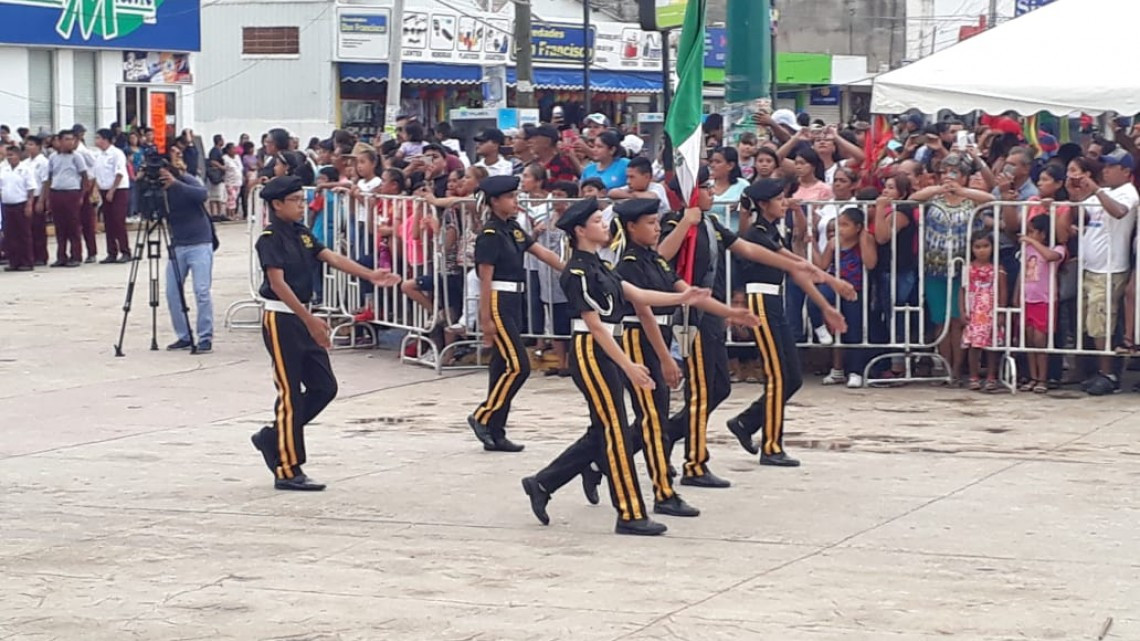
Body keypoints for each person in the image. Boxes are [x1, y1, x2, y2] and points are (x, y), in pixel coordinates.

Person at [520, 197, 711, 536]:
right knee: (616, 432)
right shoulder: (577, 272)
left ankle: (543, 483)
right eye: (596, 220)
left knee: (603, 430)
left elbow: (638, 295)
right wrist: (629, 365)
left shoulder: (601, 265)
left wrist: (682, 298)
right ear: (580, 230)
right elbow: (594, 326)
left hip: (607, 347)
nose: (604, 224)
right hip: (593, 351)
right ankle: (630, 512)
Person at [658, 169, 827, 484]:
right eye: (705, 188)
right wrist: (685, 222)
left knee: (719, 388)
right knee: (701, 390)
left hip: (713, 312)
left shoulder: (712, 224)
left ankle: (664, 436)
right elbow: (660, 257)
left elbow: (748, 249)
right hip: (690, 313)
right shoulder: (675, 222)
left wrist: (797, 264)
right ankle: (694, 465)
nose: (712, 193)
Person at [249, 176, 401, 491]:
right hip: (282, 319)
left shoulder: (301, 233)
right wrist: (309, 320)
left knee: (324, 387)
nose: (301, 206)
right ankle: (288, 468)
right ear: (277, 204)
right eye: (295, 201)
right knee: (289, 392)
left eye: (301, 200)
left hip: (304, 315)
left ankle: (274, 436)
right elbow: (278, 284)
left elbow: (331, 257)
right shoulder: (269, 238)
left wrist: (370, 274)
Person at [611, 198, 761, 516]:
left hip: (659, 336)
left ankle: (596, 462)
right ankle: (663, 492)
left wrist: (732, 312)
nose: (655, 228)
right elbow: (645, 312)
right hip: (640, 338)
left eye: (656, 222)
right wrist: (666, 358)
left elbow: (691, 294)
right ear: (631, 227)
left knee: (653, 419)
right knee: (653, 420)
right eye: (650, 223)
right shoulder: (629, 264)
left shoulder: (655, 260)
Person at [725, 179, 852, 467]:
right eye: (778, 198)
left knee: (792, 377)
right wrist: (832, 282)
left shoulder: (771, 231)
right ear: (762, 204)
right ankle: (771, 446)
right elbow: (797, 264)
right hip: (760, 302)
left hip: (774, 301)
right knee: (778, 376)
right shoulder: (757, 234)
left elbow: (798, 272)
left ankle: (746, 422)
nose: (784, 202)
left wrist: (826, 305)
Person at [466, 175, 565, 452]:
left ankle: (496, 431)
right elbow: (485, 279)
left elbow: (541, 252)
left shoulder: (513, 229)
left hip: (514, 299)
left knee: (500, 369)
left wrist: (571, 269)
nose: (515, 201)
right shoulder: (490, 234)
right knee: (518, 366)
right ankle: (483, 416)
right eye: (509, 197)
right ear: (495, 202)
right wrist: (485, 320)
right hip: (498, 299)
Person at [912, 153, 995, 386]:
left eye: (955, 172)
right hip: (935, 268)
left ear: (965, 176)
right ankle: (945, 368)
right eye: (945, 172)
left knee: (959, 320)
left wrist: (962, 191)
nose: (949, 177)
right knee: (941, 320)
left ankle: (958, 370)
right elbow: (914, 197)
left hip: (963, 270)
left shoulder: (972, 201)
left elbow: (989, 197)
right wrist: (939, 189)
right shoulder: (934, 200)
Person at [1067, 150, 1139, 395]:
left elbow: (1119, 211)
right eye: (1104, 167)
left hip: (1110, 268)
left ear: (1126, 172)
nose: (1105, 170)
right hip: (1091, 267)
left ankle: (1109, 374)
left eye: (1111, 167)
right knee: (1090, 323)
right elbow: (1081, 209)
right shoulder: (1105, 192)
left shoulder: (1128, 192)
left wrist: (1096, 190)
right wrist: (1075, 192)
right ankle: (1099, 371)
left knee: (1101, 322)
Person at [812, 207, 877, 388]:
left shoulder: (866, 239)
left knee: (853, 330)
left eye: (845, 225)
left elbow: (870, 263)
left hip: (855, 290)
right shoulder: (834, 242)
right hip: (834, 284)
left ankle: (855, 371)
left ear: (857, 227)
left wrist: (863, 238)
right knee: (816, 299)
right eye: (839, 224)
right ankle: (820, 329)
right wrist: (814, 245)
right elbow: (822, 265)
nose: (840, 229)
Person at [158, 158, 216, 353]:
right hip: (177, 244)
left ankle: (205, 337)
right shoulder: (157, 189)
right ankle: (184, 335)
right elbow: (146, 210)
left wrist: (176, 184)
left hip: (200, 241)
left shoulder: (186, 180)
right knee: (172, 291)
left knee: (201, 291)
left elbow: (202, 194)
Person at [1018, 214, 1066, 393]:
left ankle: (1043, 378)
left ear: (1043, 234)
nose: (1028, 235)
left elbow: (1050, 256)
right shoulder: (1027, 250)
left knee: (1040, 340)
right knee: (1030, 340)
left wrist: (1033, 243)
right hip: (1028, 299)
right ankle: (1033, 376)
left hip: (1044, 300)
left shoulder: (1058, 248)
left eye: (1032, 232)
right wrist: (1018, 295)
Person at [960, 231, 1005, 392]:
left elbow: (1002, 290)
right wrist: (962, 310)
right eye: (977, 247)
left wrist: (1000, 312)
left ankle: (992, 376)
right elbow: (963, 290)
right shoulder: (968, 268)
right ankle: (974, 376)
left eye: (986, 246)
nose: (982, 250)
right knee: (974, 345)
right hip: (973, 311)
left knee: (991, 346)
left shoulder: (997, 269)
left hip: (990, 310)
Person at [44, 129, 89, 268]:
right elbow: (49, 177)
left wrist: (82, 196)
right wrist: (47, 197)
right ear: (59, 141)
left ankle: (76, 255)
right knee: (60, 226)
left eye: (72, 139)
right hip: (57, 192)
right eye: (67, 139)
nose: (70, 142)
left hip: (72, 192)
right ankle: (61, 256)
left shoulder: (77, 157)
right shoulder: (53, 157)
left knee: (73, 226)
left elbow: (84, 177)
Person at [92, 128, 132, 263]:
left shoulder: (116, 153)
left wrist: (112, 190)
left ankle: (125, 251)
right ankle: (111, 252)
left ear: (105, 139)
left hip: (118, 189)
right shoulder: (98, 155)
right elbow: (96, 174)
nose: (96, 140)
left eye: (98, 138)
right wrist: (97, 190)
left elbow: (119, 173)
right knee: (108, 222)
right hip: (104, 190)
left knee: (118, 221)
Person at [1, 145, 37, 271]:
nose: (10, 158)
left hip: (21, 204)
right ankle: (14, 262)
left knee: (24, 234)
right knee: (10, 235)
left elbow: (31, 189)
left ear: (18, 155)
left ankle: (27, 261)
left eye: (12, 155)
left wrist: (29, 204)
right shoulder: (4, 170)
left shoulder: (25, 170)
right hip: (7, 205)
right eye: (8, 155)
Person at [72, 124, 99, 263]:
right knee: (74, 224)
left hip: (87, 186)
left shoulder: (84, 152)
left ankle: (92, 252)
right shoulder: (71, 153)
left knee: (87, 223)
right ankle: (76, 253)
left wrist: (91, 188)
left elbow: (93, 169)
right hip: (74, 189)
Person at [22, 135, 50, 265]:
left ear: (39, 146)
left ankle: (41, 256)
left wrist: (42, 200)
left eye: (31, 144)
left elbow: (45, 182)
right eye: (27, 144)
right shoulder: (25, 163)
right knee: (28, 228)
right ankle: (30, 254)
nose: (28, 147)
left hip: (38, 196)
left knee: (38, 228)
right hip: (27, 197)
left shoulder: (43, 162)